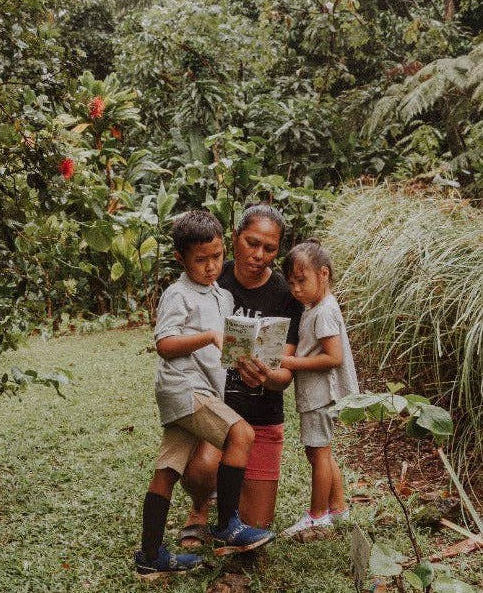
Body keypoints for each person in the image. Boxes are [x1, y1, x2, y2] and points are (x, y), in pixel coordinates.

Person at [135, 210, 275, 581]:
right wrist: (209, 337)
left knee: (166, 471)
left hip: (199, 389)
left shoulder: (223, 297)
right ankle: (227, 526)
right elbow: (164, 344)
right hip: (184, 387)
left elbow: (223, 351)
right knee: (241, 433)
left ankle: (149, 556)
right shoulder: (177, 294)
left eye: (216, 257)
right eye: (201, 260)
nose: (211, 266)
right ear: (181, 258)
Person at [179, 204, 304, 547]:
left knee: (257, 526)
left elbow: (284, 377)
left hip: (264, 417)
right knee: (203, 469)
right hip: (219, 409)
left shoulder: (285, 295)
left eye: (270, 248)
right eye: (252, 243)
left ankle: (229, 502)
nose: (259, 255)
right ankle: (202, 506)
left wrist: (265, 375)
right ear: (234, 238)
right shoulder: (212, 276)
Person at [279, 239, 359, 536]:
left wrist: (287, 362)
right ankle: (338, 508)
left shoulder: (324, 310)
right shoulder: (314, 307)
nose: (296, 289)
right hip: (316, 394)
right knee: (319, 453)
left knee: (319, 453)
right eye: (291, 283)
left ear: (323, 274)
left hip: (320, 395)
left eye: (302, 281)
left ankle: (317, 515)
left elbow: (332, 357)